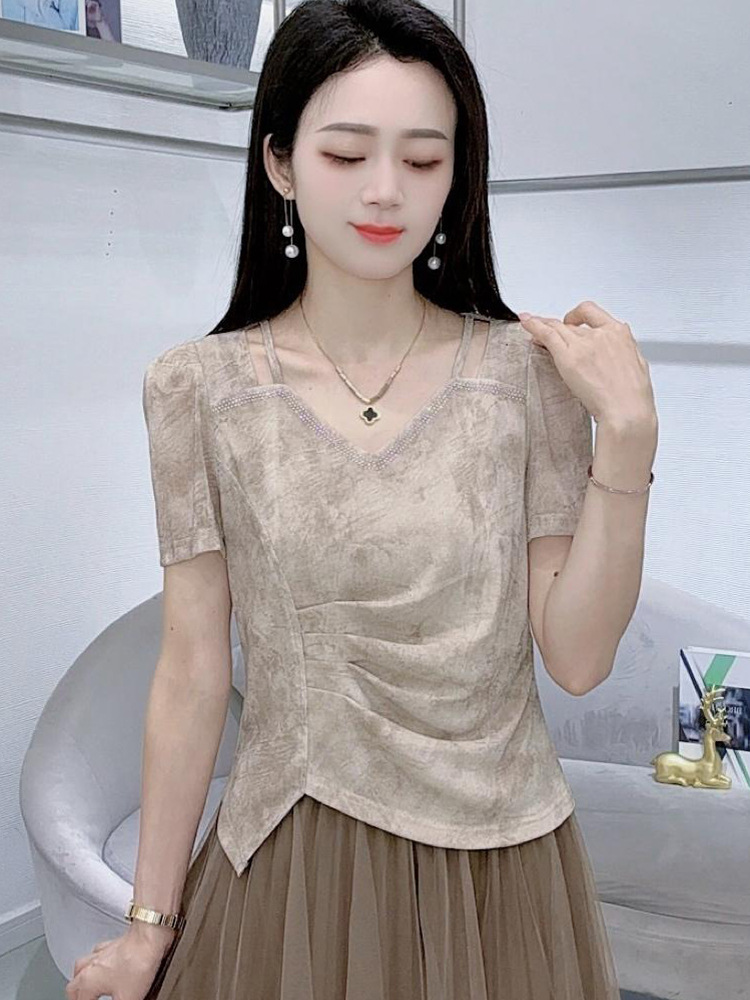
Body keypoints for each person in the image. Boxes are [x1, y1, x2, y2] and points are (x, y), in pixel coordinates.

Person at [66, 0, 658, 997]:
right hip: (294, 865)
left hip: (501, 869)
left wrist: (629, 439)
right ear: (281, 164)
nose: (386, 191)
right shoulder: (198, 388)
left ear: (458, 175)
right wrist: (147, 928)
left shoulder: (529, 378)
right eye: (346, 154)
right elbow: (193, 670)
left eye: (423, 160)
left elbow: (579, 656)